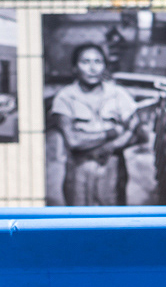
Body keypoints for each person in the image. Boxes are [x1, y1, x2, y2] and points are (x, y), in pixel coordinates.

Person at [49, 42, 142, 205]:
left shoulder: (118, 94)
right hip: (79, 170)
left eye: (98, 62)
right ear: (75, 68)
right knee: (79, 217)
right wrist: (112, 132)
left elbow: (136, 132)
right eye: (85, 62)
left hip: (112, 170)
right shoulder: (65, 97)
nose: (92, 68)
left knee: (113, 217)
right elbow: (73, 140)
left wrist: (110, 146)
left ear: (105, 66)